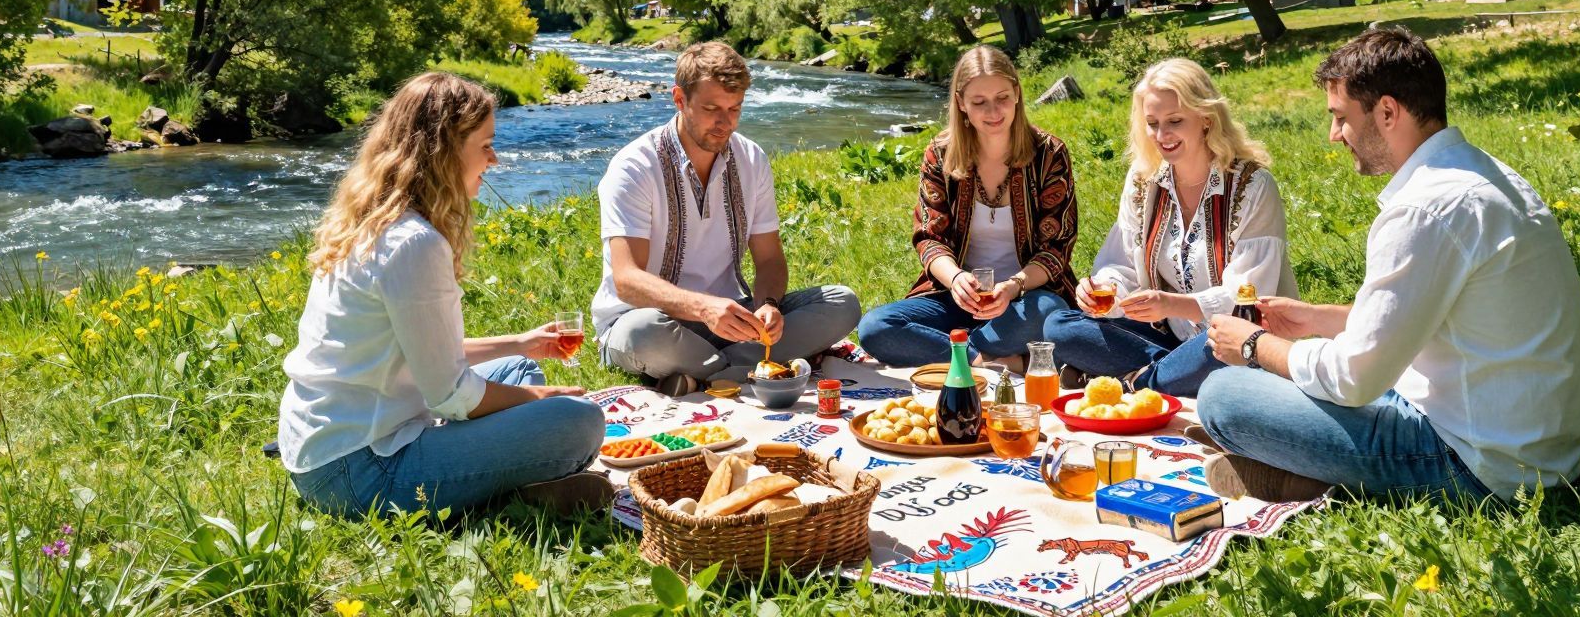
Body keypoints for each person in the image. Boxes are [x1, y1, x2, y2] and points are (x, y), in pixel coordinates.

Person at [1196, 26, 1580, 503]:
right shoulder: (1482, 176)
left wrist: (1254, 344)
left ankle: (1308, 475)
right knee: (1285, 377)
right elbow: (1435, 319)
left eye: (1341, 118)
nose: (1334, 136)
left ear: (1387, 112)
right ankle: (1300, 470)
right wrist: (1318, 320)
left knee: (1224, 395)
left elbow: (1354, 378)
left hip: (1480, 466)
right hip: (1539, 452)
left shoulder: (1424, 209)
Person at [278, 72, 607, 519]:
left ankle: (513, 483)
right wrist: (542, 398)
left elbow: (421, 355)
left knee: (518, 367)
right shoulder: (412, 243)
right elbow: (451, 395)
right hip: (360, 470)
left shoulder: (375, 220)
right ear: (446, 150)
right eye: (485, 145)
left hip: (324, 445)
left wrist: (519, 342)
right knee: (580, 420)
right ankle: (509, 496)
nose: (493, 159)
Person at [593, 41, 861, 394]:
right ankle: (753, 371)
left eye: (735, 109)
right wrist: (703, 308)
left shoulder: (751, 159)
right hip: (651, 320)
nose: (725, 123)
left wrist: (768, 305)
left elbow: (769, 260)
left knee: (842, 302)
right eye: (711, 109)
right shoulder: (634, 167)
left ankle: (705, 375)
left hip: (734, 320)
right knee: (642, 334)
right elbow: (627, 280)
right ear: (679, 99)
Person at [1043, 58, 1295, 396]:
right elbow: (1122, 265)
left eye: (1175, 121)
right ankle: (1170, 375)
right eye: (1152, 123)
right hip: (1167, 339)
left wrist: (1171, 304)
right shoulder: (1143, 180)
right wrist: (1103, 289)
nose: (1162, 136)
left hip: (1232, 343)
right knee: (1060, 326)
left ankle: (1138, 382)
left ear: (1206, 118)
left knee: (1220, 346)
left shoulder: (1252, 186)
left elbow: (1248, 300)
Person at [855, 45, 1077, 370]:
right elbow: (930, 237)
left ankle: (956, 350)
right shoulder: (940, 154)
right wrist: (956, 279)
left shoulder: (1049, 154)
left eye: (1002, 97)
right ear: (961, 103)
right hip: (958, 297)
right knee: (875, 328)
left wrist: (1012, 286)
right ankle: (988, 358)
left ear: (1017, 93)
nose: (993, 111)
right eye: (979, 102)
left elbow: (1057, 247)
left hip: (1026, 297)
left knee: (1049, 313)